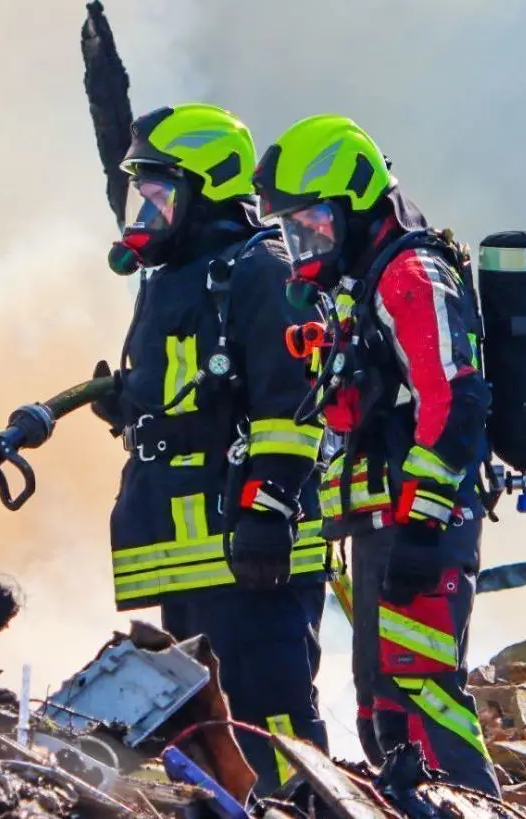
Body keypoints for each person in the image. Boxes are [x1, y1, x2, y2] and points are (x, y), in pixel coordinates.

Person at [252, 114, 501, 796]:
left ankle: (470, 806)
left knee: (423, 699)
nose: (302, 243)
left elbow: (454, 400)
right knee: (383, 705)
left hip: (419, 527)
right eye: (292, 229)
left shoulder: (410, 274)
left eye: (314, 224)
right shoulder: (361, 284)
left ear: (356, 206)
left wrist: (422, 525)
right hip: (380, 525)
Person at [89, 102, 332, 794]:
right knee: (201, 717)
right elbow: (193, 392)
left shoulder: (260, 271)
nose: (146, 212)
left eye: (160, 193)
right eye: (144, 194)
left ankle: (297, 807)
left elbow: (293, 404)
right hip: (186, 548)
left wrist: (268, 510)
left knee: (269, 714)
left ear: (208, 186)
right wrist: (129, 406)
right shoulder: (172, 278)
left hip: (246, 546)